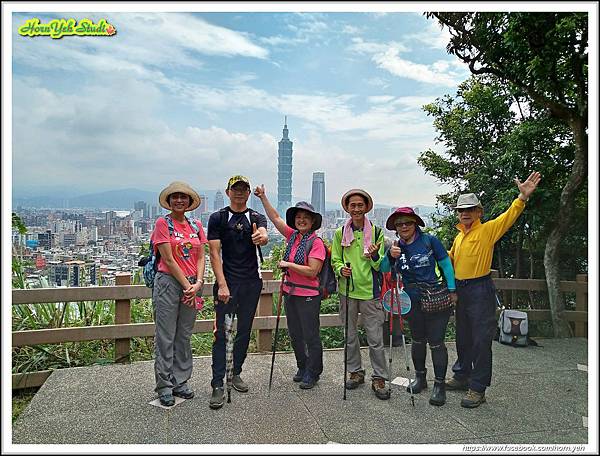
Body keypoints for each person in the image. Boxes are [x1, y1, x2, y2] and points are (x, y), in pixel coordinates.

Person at [446, 171, 541, 408]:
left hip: (480, 288)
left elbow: (508, 217)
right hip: (461, 289)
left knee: (480, 340)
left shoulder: (487, 230)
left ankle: (478, 388)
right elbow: (451, 259)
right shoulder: (459, 237)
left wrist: (522, 197)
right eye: (461, 210)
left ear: (479, 212)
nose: (465, 213)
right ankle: (461, 375)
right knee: (463, 336)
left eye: (470, 209)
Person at [380, 207, 457, 406]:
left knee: (437, 341)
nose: (404, 226)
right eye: (399, 224)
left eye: (408, 223)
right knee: (417, 340)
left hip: (434, 296)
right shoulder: (396, 247)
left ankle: (439, 385)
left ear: (415, 224)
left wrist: (452, 290)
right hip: (411, 300)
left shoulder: (429, 241)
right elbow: (384, 269)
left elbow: (446, 265)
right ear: (395, 228)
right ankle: (420, 378)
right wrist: (390, 256)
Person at [254, 185, 326, 389]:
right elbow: (276, 218)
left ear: (313, 222)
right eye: (298, 217)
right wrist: (263, 197)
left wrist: (288, 265)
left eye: (306, 217)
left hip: (309, 296)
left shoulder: (316, 242)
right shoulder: (293, 237)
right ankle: (302, 367)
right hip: (290, 293)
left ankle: (313, 372)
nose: (301, 220)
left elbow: (312, 271)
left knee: (310, 335)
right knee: (295, 333)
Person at [207, 175, 268, 410]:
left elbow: (262, 233)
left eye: (244, 189)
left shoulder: (255, 216)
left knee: (243, 331)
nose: (239, 192)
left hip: (251, 283)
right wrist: (222, 284)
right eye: (235, 189)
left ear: (249, 192)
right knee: (222, 334)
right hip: (228, 282)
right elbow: (214, 253)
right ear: (228, 191)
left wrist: (261, 237)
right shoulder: (218, 218)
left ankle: (236, 372)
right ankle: (217, 384)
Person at [151, 181, 207, 406]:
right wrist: (187, 286)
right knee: (166, 336)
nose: (179, 201)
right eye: (175, 197)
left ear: (190, 202)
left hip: (193, 284)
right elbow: (168, 259)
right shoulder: (162, 224)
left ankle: (180, 381)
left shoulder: (196, 225)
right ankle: (164, 385)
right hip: (169, 283)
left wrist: (199, 282)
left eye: (184, 197)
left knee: (183, 335)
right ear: (169, 201)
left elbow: (201, 256)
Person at [331, 189, 389, 400]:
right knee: (350, 335)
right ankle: (355, 372)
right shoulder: (339, 233)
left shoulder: (376, 232)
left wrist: (374, 255)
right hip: (347, 290)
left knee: (375, 337)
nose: (356, 209)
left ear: (366, 208)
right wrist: (340, 270)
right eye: (352, 205)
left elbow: (380, 265)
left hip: (370, 291)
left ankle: (380, 377)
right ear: (347, 208)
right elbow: (335, 259)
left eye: (360, 205)